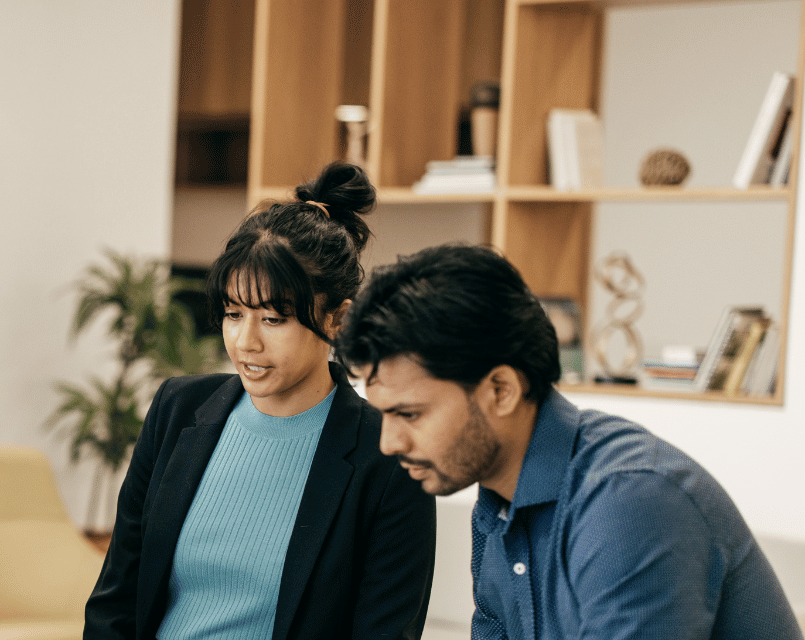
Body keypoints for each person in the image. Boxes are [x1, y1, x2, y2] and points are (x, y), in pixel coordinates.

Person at [336, 244, 802, 640]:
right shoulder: (499, 498)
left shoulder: (630, 500)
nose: (389, 443)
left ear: (501, 390)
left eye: (410, 414)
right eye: (383, 415)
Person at [85, 163, 436, 640]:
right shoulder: (177, 408)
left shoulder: (390, 451)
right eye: (233, 313)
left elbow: (385, 631)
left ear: (337, 318)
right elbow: (116, 600)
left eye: (273, 319)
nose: (245, 342)